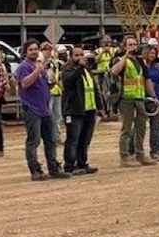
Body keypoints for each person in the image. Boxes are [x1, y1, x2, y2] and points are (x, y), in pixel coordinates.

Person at [17, 40, 70, 181]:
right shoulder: (24, 67)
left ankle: (53, 169)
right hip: (32, 109)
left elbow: (45, 87)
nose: (34, 52)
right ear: (25, 52)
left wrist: (52, 82)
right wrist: (37, 71)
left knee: (51, 140)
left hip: (45, 109)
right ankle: (35, 171)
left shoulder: (41, 67)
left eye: (36, 49)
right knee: (33, 141)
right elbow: (25, 83)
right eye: (31, 50)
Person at [111, 36, 157, 167]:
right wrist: (125, 56)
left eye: (134, 44)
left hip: (139, 98)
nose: (133, 47)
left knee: (141, 127)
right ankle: (124, 157)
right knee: (126, 128)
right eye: (130, 45)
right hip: (126, 99)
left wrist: (153, 96)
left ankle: (140, 154)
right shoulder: (120, 60)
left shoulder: (139, 61)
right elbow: (114, 71)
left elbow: (146, 79)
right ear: (124, 46)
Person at [62, 45, 103, 174]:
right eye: (76, 55)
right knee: (73, 139)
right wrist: (80, 67)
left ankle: (82, 163)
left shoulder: (86, 70)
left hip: (89, 109)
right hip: (75, 110)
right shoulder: (68, 69)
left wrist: (99, 105)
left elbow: (93, 88)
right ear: (71, 57)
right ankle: (69, 166)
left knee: (85, 139)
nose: (80, 58)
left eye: (81, 55)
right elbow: (69, 81)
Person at [143, 43, 159, 160]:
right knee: (139, 126)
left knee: (155, 126)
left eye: (154, 53)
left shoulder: (158, 67)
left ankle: (154, 151)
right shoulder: (141, 66)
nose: (153, 55)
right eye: (151, 53)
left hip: (157, 97)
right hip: (144, 98)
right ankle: (133, 150)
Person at [40, 42, 65, 134]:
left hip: (56, 91)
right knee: (48, 115)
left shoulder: (54, 62)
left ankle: (56, 134)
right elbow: (50, 78)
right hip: (48, 91)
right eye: (46, 50)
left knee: (57, 115)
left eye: (50, 50)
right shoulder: (41, 62)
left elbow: (57, 75)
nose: (48, 52)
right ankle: (50, 135)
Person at [95, 37, 118, 120]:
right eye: (105, 42)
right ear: (101, 43)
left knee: (113, 91)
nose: (107, 44)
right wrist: (102, 53)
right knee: (102, 92)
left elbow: (116, 60)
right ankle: (106, 111)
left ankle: (114, 111)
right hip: (101, 73)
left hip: (112, 73)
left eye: (108, 42)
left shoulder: (114, 50)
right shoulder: (98, 51)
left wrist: (110, 53)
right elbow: (96, 61)